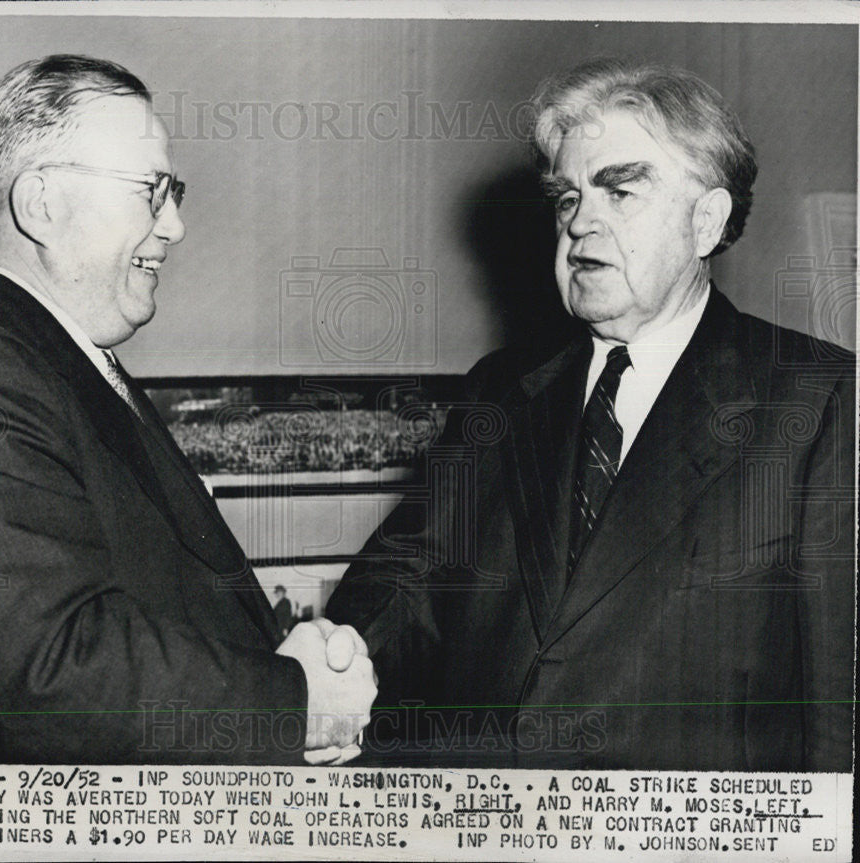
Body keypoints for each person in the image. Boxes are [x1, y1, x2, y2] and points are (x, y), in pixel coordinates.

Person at [327, 58, 854, 771]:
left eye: (620, 190)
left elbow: (835, 711)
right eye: (567, 197)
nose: (580, 224)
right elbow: (405, 580)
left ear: (707, 221)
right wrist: (326, 670)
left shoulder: (818, 400)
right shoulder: (501, 392)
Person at [0, 55, 375, 765]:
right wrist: (291, 700)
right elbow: (47, 675)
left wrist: (295, 664)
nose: (174, 226)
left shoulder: (49, 357)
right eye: (152, 191)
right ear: (42, 204)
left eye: (173, 192)